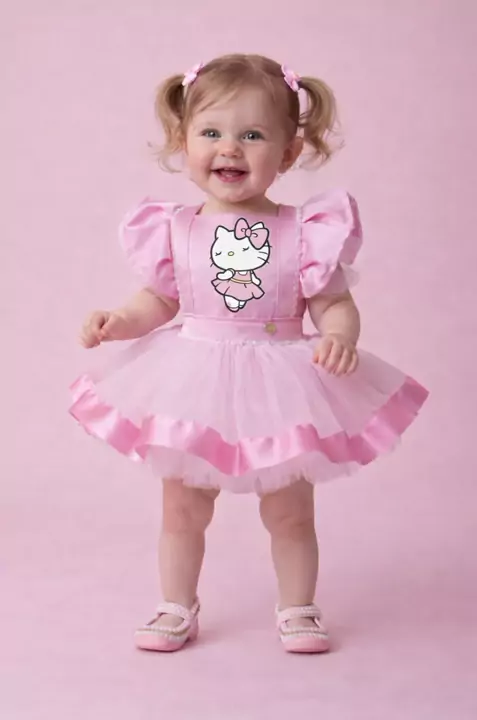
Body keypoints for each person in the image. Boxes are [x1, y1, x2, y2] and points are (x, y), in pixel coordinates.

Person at [69, 54, 429, 654]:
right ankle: (175, 604)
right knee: (182, 508)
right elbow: (159, 299)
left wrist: (340, 335)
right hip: (194, 378)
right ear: (184, 142)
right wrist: (119, 322)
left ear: (288, 153)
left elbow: (333, 302)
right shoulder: (175, 228)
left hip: (281, 378)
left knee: (290, 511)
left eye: (253, 135)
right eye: (211, 132)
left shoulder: (305, 231)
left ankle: (299, 606)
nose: (229, 148)